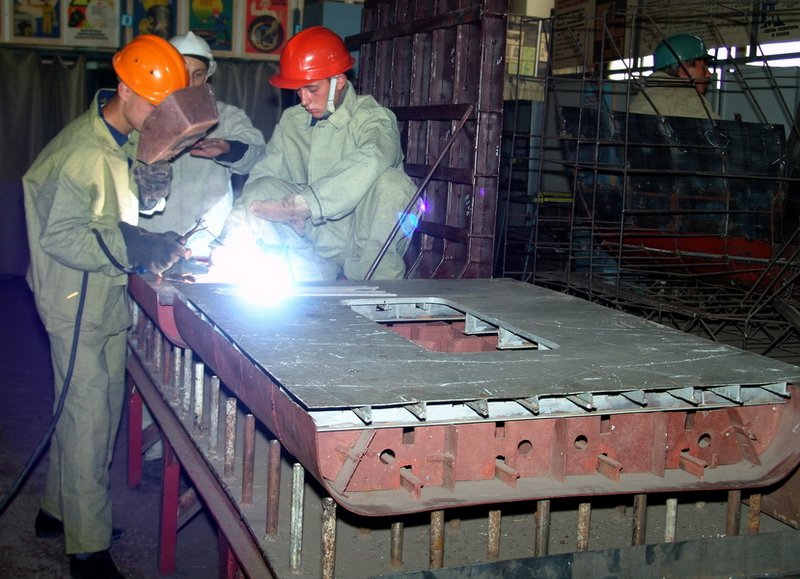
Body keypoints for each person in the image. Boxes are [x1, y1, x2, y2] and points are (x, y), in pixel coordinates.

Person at [23, 35, 191, 579]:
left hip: (104, 291)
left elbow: (120, 207)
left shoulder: (122, 136)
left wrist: (150, 194)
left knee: (91, 409)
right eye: (155, 105)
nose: (161, 118)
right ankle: (87, 549)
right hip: (74, 298)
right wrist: (136, 244)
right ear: (124, 88)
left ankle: (58, 512)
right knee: (89, 420)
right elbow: (61, 235)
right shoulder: (82, 152)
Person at [216, 26, 417, 281]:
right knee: (261, 189)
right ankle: (294, 278)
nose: (304, 100)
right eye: (298, 90)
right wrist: (225, 243)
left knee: (393, 184)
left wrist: (306, 205)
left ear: (339, 81)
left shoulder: (374, 118)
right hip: (311, 246)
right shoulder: (292, 121)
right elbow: (262, 179)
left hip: (364, 243)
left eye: (312, 89)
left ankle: (376, 292)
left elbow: (374, 157)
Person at [140, 31, 266, 259]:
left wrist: (229, 149)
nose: (189, 82)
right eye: (181, 72)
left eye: (197, 74)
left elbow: (257, 154)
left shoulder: (225, 117)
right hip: (152, 245)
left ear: (207, 76)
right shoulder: (143, 116)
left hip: (208, 248)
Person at [629, 33, 720, 120]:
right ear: (683, 70)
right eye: (703, 67)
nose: (708, 75)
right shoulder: (687, 96)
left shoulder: (645, 94)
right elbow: (716, 129)